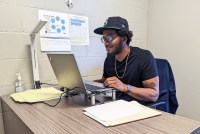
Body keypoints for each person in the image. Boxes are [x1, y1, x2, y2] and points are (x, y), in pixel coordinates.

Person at [94, 16, 159, 104]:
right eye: (104, 38)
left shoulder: (144, 57)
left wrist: (124, 87)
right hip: (116, 104)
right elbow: (104, 82)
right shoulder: (109, 58)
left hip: (139, 108)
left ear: (124, 38)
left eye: (109, 37)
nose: (105, 43)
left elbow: (154, 95)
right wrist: (86, 84)